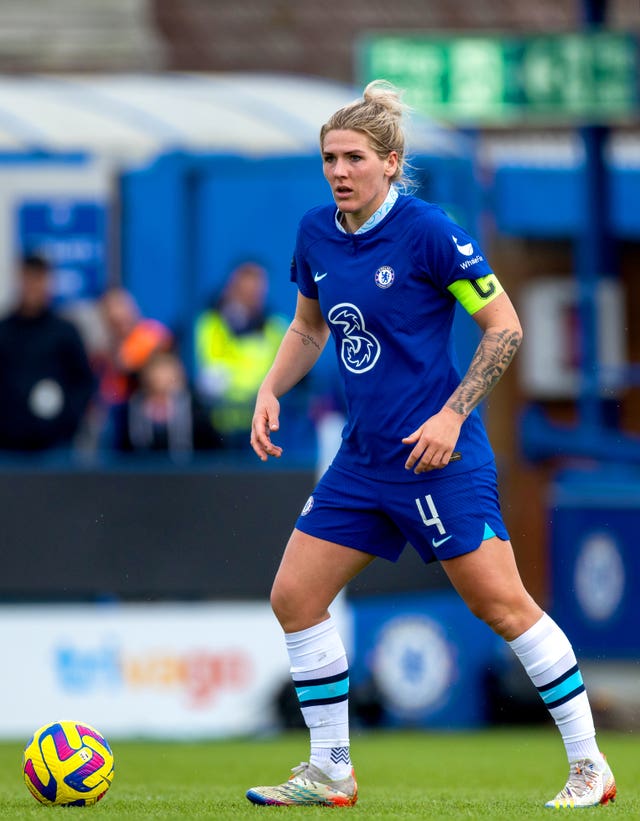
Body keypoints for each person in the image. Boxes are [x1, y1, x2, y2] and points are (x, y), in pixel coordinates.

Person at [246, 81, 616, 809]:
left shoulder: (429, 230)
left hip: (435, 458)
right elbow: (308, 327)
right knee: (294, 596)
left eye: (353, 157)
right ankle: (331, 769)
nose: (338, 171)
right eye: (329, 157)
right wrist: (269, 387)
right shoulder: (317, 231)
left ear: (390, 162)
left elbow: (505, 325)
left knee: (504, 606)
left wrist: (450, 416)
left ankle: (589, 764)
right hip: (363, 459)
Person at [0, 253, 95, 453]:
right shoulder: (4, 331)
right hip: (7, 447)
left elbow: (84, 382)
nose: (33, 287)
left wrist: (67, 420)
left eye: (39, 279)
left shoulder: (65, 331)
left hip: (56, 447)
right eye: (28, 279)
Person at [194, 261, 290, 450]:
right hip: (218, 425)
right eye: (244, 289)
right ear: (231, 288)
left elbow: (286, 372)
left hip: (266, 423)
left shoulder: (276, 327)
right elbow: (214, 372)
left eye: (257, 289)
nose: (252, 295)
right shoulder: (211, 323)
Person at [108, 349, 221, 457]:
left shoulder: (194, 408)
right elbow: (120, 451)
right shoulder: (130, 409)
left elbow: (211, 450)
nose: (161, 376)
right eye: (156, 369)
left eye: (166, 368)